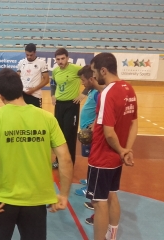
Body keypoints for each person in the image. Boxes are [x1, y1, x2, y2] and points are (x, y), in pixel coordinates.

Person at [0, 68, 73, 240]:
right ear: (20, 88)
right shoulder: (47, 118)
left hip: (1, 199)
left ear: (0, 95)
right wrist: (64, 194)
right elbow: (65, 158)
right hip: (36, 201)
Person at [87, 53, 138, 240]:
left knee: (99, 202)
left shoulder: (107, 93)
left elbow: (108, 133)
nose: (94, 76)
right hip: (117, 158)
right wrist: (126, 150)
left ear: (103, 70)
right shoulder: (128, 88)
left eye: (94, 71)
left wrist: (121, 149)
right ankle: (112, 235)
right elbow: (134, 123)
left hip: (102, 157)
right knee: (112, 195)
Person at [73, 65, 106, 226]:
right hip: (87, 131)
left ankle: (90, 188)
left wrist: (93, 125)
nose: (82, 83)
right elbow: (89, 89)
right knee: (89, 159)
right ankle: (89, 180)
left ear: (92, 79)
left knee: (94, 160)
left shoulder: (98, 94)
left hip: (92, 134)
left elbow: (102, 112)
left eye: (84, 81)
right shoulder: (92, 91)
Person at [50, 48, 88, 168]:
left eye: (62, 58)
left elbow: (91, 77)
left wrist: (83, 94)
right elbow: (53, 83)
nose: (60, 61)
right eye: (58, 59)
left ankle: (69, 162)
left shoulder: (76, 69)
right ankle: (58, 160)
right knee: (59, 134)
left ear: (67, 58)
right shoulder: (55, 71)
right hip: (59, 105)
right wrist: (52, 95)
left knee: (69, 134)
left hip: (72, 105)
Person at [17, 43, 49, 108]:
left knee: (36, 116)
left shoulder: (41, 62)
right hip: (22, 95)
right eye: (27, 55)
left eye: (31, 55)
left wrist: (33, 89)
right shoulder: (21, 62)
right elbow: (17, 77)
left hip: (35, 95)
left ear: (35, 52)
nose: (29, 57)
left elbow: (46, 80)